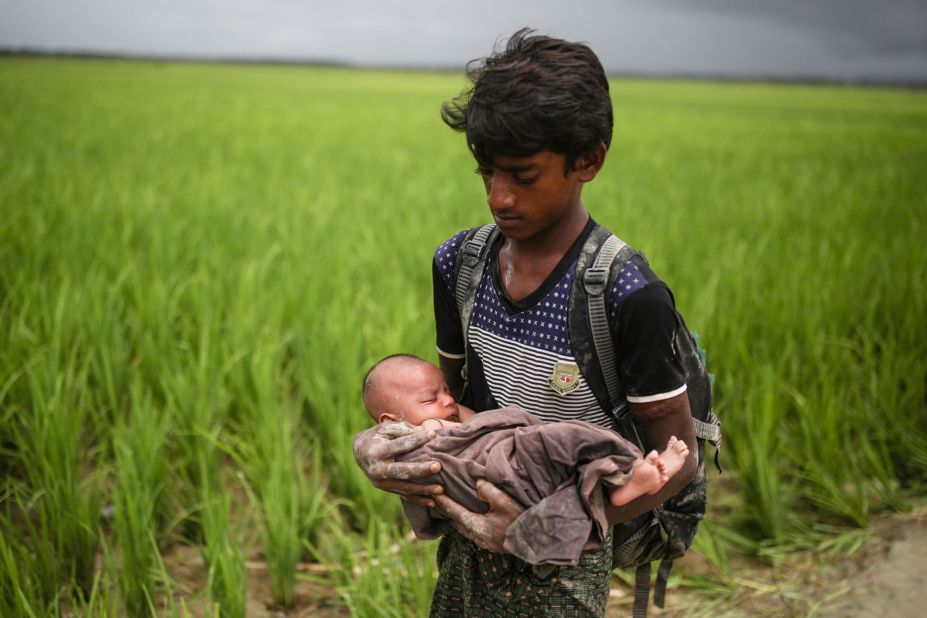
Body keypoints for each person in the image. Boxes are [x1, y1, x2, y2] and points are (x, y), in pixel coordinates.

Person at [354, 28, 705, 616]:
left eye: (522, 175)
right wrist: (389, 452)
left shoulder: (625, 294)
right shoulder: (460, 265)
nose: (498, 197)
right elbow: (461, 411)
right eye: (486, 174)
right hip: (481, 530)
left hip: (583, 538)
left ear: (587, 161)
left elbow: (678, 460)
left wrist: (542, 527)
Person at [362, 354, 690, 565]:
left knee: (567, 474)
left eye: (447, 390)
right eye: (431, 398)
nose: (449, 401)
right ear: (391, 421)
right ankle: (625, 473)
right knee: (572, 438)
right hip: (503, 468)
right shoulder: (414, 444)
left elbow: (480, 423)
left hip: (504, 473)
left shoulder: (433, 426)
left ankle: (622, 483)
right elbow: (491, 428)